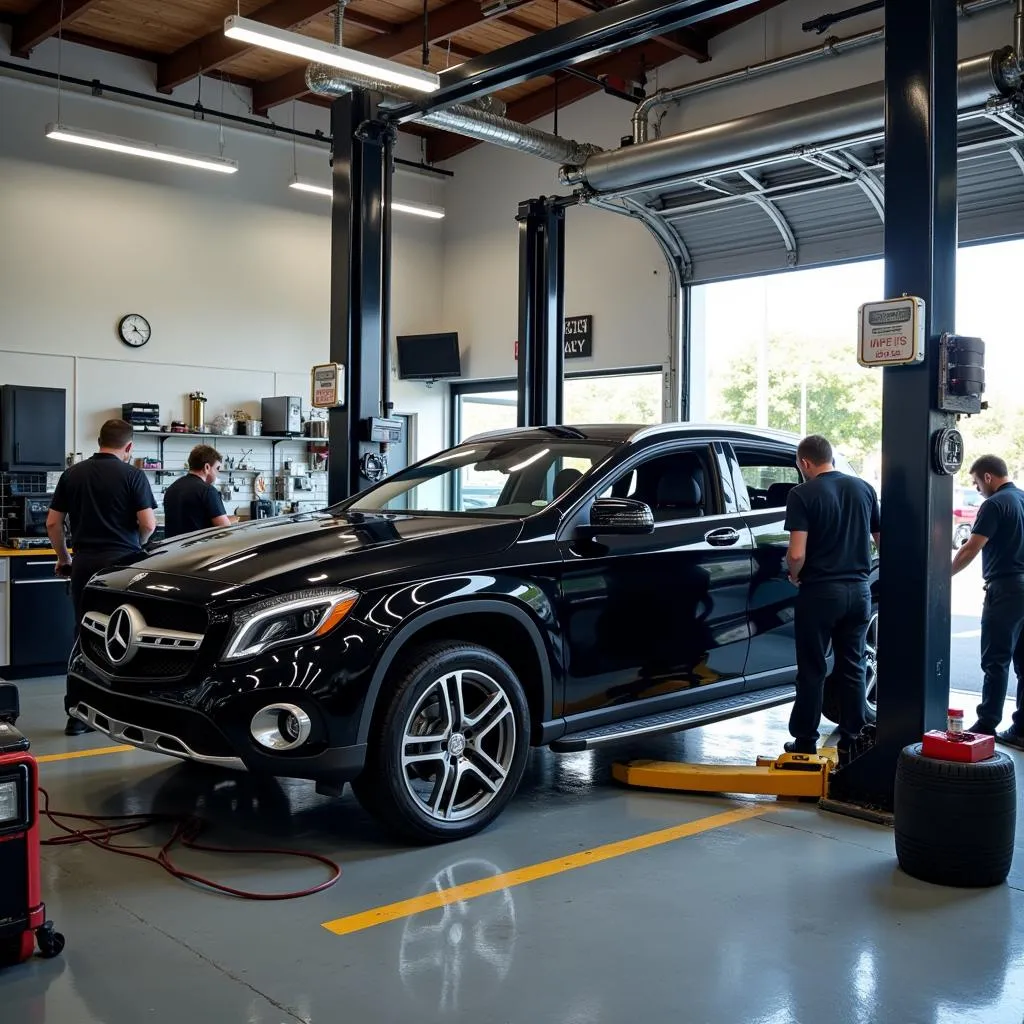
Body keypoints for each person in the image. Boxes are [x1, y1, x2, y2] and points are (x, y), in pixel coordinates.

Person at [46, 419, 158, 735]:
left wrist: (64, 558)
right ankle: (126, 712)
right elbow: (148, 524)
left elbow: (53, 524)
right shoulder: (134, 476)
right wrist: (137, 547)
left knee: (84, 636)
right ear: (130, 446)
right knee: (127, 638)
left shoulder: (73, 474)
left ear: (99, 441)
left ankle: (78, 716)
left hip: (84, 565)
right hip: (122, 569)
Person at [784, 434, 880, 755]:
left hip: (820, 593)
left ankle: (805, 741)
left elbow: (797, 553)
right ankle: (853, 740)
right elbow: (882, 541)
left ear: (805, 463)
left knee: (812, 669)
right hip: (858, 592)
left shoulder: (802, 494)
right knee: (852, 666)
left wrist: (795, 575)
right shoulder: (864, 489)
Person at [951, 454, 1024, 748]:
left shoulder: (994, 504)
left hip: (1005, 590)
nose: (977, 488)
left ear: (989, 477)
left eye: (976, 482)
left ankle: (987, 723)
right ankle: (1021, 729)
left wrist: (944, 575)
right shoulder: (1021, 498)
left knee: (995, 660)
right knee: (1022, 663)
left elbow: (971, 548)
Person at [162, 444, 231, 539]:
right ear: (207, 467)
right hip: (199, 551)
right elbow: (225, 530)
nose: (218, 473)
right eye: (217, 469)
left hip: (174, 551)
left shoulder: (172, 488)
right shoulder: (208, 491)